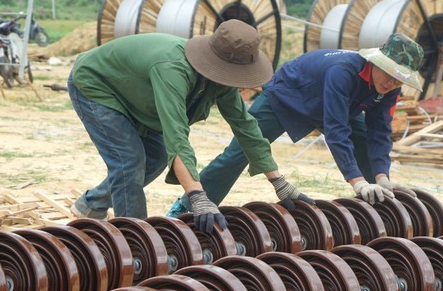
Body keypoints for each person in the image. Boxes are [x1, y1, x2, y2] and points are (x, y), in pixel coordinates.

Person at [67, 19, 313, 233]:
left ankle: (92, 205)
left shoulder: (219, 80)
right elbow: (176, 134)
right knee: (129, 161)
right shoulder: (173, 69)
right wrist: (197, 196)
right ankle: (134, 237)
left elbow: (246, 127)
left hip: (135, 96)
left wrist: (278, 181)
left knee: (157, 158)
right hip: (97, 86)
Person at [167, 32, 424, 217]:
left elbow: (380, 132)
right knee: (240, 153)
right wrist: (355, 180)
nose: (392, 82)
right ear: (376, 62)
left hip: (336, 105)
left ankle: (378, 208)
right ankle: (188, 207)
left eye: (400, 79)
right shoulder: (343, 71)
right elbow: (335, 129)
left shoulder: (389, 88)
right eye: (390, 73)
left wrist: (382, 176)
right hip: (287, 97)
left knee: (366, 142)